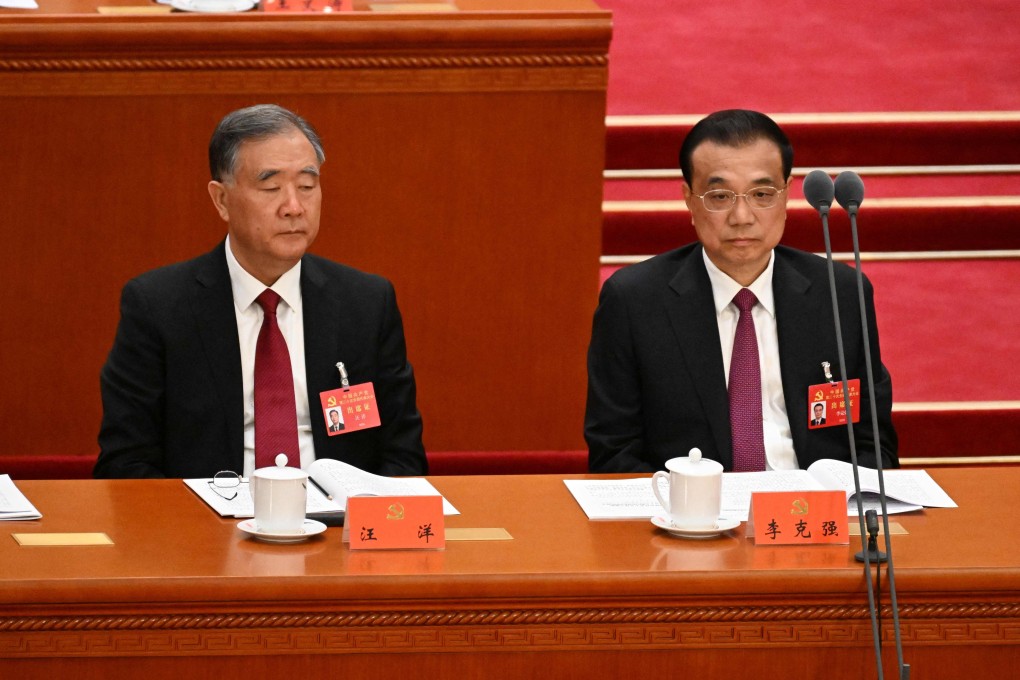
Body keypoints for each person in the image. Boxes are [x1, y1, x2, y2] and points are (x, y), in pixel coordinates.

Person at [95, 104, 426, 479]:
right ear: (221, 200)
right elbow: (126, 464)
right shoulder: (158, 307)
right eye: (271, 187)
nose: (294, 207)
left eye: (307, 186)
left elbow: (403, 457)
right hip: (207, 513)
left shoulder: (365, 304)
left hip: (338, 512)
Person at [585, 109, 897, 473]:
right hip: (692, 505)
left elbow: (874, 443)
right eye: (719, 196)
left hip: (815, 502)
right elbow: (613, 453)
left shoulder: (839, 293)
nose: (742, 217)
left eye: (762, 194)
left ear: (786, 195)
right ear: (689, 199)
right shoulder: (634, 301)